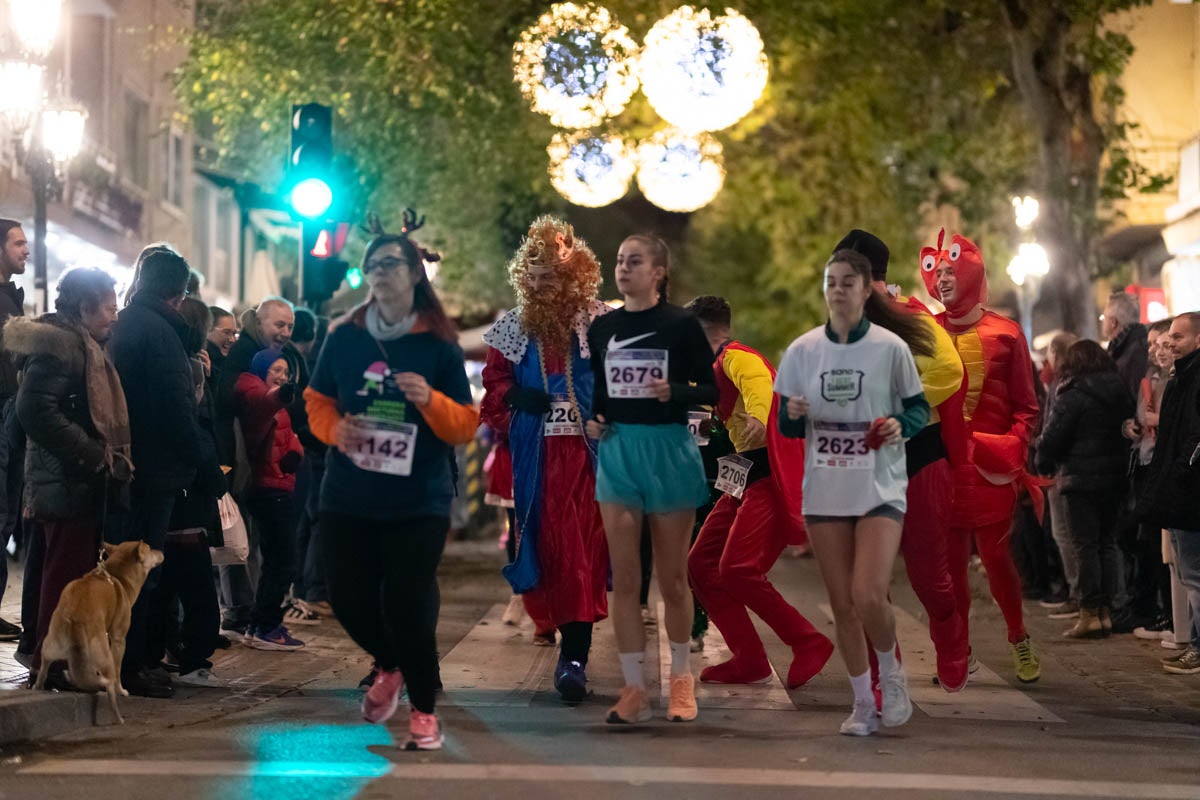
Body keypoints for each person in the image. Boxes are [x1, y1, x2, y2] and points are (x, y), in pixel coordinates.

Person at [304, 211, 477, 749]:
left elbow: (466, 425)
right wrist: (338, 431)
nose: (379, 273)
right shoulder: (344, 337)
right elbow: (316, 401)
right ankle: (390, 666)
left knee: (406, 603)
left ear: (414, 275)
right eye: (372, 265)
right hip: (349, 493)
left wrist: (431, 400)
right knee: (347, 597)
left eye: (390, 265)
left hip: (417, 496)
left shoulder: (439, 345)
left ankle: (424, 711)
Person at [775, 249, 927, 736]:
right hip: (825, 488)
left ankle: (892, 676)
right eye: (831, 282)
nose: (838, 290)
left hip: (880, 485)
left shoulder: (889, 348)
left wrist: (897, 425)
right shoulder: (802, 351)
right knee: (841, 603)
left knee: (867, 592)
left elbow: (919, 411)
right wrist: (793, 413)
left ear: (865, 290)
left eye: (847, 282)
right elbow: (784, 423)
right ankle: (862, 703)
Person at [585, 234, 716, 725]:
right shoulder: (604, 327)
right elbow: (599, 391)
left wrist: (675, 390)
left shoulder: (681, 324)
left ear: (658, 271)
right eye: (619, 260)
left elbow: (710, 389)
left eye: (634, 261)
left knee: (673, 577)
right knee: (624, 579)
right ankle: (634, 686)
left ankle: (682, 680)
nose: (623, 268)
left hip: (668, 450)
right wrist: (595, 420)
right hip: (619, 450)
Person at [481, 216, 612, 702]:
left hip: (586, 456)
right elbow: (494, 385)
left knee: (580, 549)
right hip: (536, 456)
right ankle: (561, 637)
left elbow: (618, 380)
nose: (539, 288)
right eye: (532, 279)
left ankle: (574, 655)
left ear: (571, 277)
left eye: (549, 279)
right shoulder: (512, 327)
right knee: (542, 546)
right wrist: (516, 394)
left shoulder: (597, 322)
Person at [836, 229, 971, 692]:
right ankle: (882, 670)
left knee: (929, 576)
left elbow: (950, 371)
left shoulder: (912, 317)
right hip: (864, 463)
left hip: (921, 455)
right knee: (866, 582)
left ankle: (953, 641)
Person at [683, 295, 834, 689]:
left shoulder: (735, 356)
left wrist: (757, 414)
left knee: (738, 569)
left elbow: (759, 382)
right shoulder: (711, 368)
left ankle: (808, 641)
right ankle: (749, 658)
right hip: (743, 478)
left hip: (769, 475)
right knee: (700, 563)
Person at [918, 229, 1042, 684]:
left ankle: (1019, 636)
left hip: (990, 467)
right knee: (947, 570)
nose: (944, 279)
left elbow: (1027, 405)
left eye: (952, 270)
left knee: (997, 560)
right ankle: (958, 654)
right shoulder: (926, 332)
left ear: (971, 270)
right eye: (939, 272)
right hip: (942, 466)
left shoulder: (1007, 333)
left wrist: (1014, 445)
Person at [107, 246, 225, 698]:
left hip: (135, 467)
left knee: (134, 570)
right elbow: (178, 413)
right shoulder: (161, 334)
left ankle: (135, 659)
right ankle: (133, 664)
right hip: (154, 472)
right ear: (179, 293)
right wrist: (207, 467)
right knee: (141, 572)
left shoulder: (130, 323)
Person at [4, 268, 128, 685]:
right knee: (65, 576)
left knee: (55, 569)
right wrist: (93, 453)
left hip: (67, 478)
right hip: (65, 478)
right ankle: (54, 663)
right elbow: (34, 410)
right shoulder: (62, 347)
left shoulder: (82, 344)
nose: (115, 315)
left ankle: (48, 656)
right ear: (84, 307)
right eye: (109, 308)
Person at [1036, 340, 1134, 638]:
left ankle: (1090, 612)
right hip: (1114, 478)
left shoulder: (1073, 392)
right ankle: (1106, 611)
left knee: (1084, 545)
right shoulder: (1119, 389)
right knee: (1106, 543)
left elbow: (1054, 436)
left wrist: (1043, 460)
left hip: (1080, 480)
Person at [152, 298, 225, 686]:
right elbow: (195, 429)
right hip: (188, 491)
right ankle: (195, 659)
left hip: (174, 490)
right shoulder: (187, 367)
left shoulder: (186, 365)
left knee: (165, 585)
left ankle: (161, 652)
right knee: (196, 587)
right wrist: (213, 475)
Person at [1139, 312, 1200, 675]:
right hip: (1176, 488)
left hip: (1188, 491)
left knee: (1193, 575)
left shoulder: (1192, 378)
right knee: (1186, 572)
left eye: (1178, 337)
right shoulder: (1182, 376)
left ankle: (1196, 646)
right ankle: (1193, 641)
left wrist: (1179, 474)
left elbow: (1193, 439)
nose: (1170, 343)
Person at [235, 348, 305, 650]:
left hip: (279, 484)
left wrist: (295, 454)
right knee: (284, 559)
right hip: (268, 488)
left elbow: (291, 439)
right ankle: (267, 626)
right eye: (276, 370)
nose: (281, 376)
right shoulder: (257, 394)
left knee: (277, 558)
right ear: (262, 370)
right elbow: (265, 402)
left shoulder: (273, 399)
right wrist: (284, 391)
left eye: (285, 371)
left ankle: (259, 624)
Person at [1124, 319, 1175, 640]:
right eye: (1153, 345)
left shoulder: (1177, 380)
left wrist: (1163, 420)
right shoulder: (1149, 379)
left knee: (1170, 550)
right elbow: (1140, 418)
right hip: (1145, 462)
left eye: (1164, 343)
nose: (1156, 350)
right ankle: (1164, 615)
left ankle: (1173, 620)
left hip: (1167, 467)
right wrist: (1131, 426)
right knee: (1151, 545)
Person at [0, 218, 29, 643]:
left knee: (5, 512)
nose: (27, 249)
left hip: (11, 413)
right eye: (19, 243)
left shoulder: (11, 297)